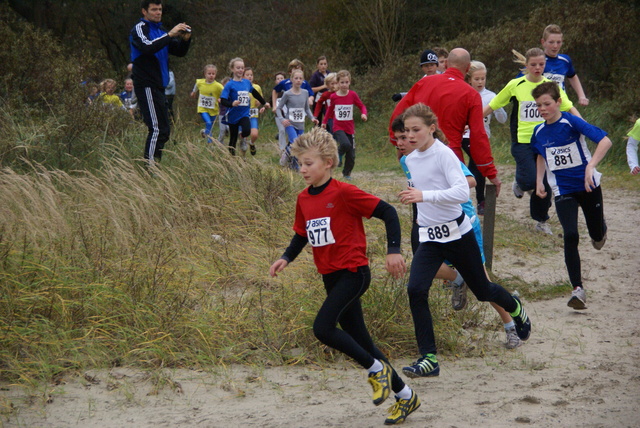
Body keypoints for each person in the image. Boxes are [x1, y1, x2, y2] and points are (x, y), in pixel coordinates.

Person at [268, 127, 421, 425]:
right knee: (362, 340)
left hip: (353, 272)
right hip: (330, 275)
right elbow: (302, 234)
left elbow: (388, 212)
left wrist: (393, 250)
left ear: (327, 162)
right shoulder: (303, 198)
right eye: (299, 163)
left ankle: (375, 370)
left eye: (308, 163)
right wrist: (286, 257)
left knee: (323, 328)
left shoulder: (344, 192)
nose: (302, 169)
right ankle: (405, 396)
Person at [397, 103, 531, 378]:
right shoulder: (409, 160)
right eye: (406, 131)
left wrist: (424, 195)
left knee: (483, 291)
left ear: (431, 128)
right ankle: (429, 358)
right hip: (430, 237)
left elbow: (461, 192)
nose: (409, 136)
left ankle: (515, 307)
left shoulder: (444, 155)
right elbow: (422, 197)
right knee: (416, 289)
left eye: (415, 130)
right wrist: (419, 215)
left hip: (458, 235)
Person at [531, 82, 611, 310]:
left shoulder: (570, 121)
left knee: (596, 235)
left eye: (547, 104)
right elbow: (540, 156)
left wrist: (591, 166)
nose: (543, 109)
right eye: (538, 106)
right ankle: (578, 289)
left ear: (558, 102)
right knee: (570, 235)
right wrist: (539, 181)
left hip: (588, 186)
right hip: (563, 190)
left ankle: (600, 230)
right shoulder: (538, 131)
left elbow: (605, 141)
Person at [484, 48, 580, 235]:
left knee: (544, 183)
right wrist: (470, 123)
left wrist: (584, 126)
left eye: (541, 64)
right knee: (529, 181)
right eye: (533, 64)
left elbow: (568, 106)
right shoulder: (516, 84)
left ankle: (541, 220)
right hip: (523, 141)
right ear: (526, 65)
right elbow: (494, 105)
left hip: (547, 141)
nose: (537, 68)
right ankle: (520, 182)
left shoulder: (551, 86)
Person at [390, 48, 502, 196]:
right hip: (451, 155)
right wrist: (490, 172)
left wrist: (398, 142)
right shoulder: (471, 94)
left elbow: (398, 114)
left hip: (422, 151)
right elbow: (478, 136)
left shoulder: (424, 82)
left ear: (447, 63)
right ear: (468, 68)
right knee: (455, 201)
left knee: (422, 197)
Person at [129, 0, 191, 167]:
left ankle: (154, 164)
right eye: (154, 9)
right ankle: (148, 169)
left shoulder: (161, 31)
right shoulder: (140, 29)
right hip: (146, 84)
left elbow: (179, 52)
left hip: (160, 86)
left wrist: (185, 40)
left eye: (160, 9)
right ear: (144, 11)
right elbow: (147, 47)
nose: (158, 12)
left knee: (164, 130)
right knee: (156, 129)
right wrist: (170, 34)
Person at [463, 61, 508, 214]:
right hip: (466, 136)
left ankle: (471, 193)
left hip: (483, 137)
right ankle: (480, 200)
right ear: (469, 79)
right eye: (477, 79)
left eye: (483, 78)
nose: (480, 82)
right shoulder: (464, 93)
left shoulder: (491, 96)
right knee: (478, 163)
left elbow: (502, 119)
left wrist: (498, 107)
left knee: (477, 166)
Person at [322, 70, 367, 179]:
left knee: (351, 155)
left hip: (349, 128)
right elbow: (329, 110)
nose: (344, 85)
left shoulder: (352, 95)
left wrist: (364, 114)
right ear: (337, 83)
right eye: (342, 82)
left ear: (349, 82)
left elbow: (361, 106)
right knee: (345, 144)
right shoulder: (334, 97)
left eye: (346, 82)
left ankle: (346, 173)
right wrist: (324, 122)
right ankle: (338, 156)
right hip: (338, 127)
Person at [219, 58, 269, 156]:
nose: (240, 70)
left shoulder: (246, 83)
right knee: (232, 140)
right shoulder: (229, 85)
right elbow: (223, 100)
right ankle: (231, 158)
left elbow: (255, 93)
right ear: (232, 69)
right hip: (233, 116)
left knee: (246, 131)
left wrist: (264, 102)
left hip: (244, 114)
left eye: (242, 68)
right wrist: (232, 103)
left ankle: (242, 137)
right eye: (238, 68)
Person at [276, 69, 318, 170]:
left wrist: (312, 118)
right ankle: (295, 166)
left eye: (300, 78)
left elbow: (307, 108)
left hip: (300, 124)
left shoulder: (305, 93)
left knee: (296, 144)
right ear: (292, 80)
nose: (298, 80)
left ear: (303, 80)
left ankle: (286, 154)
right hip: (289, 123)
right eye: (296, 78)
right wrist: (282, 119)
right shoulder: (287, 94)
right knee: (295, 142)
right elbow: (278, 108)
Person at [540, 24, 589, 106]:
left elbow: (572, 76)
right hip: (543, 106)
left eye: (558, 42)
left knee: (578, 118)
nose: (555, 46)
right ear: (543, 42)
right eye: (551, 42)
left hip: (561, 104)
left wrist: (581, 96)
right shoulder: (537, 61)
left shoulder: (565, 60)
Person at [190, 64, 223, 144]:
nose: (211, 75)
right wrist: (194, 92)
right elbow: (196, 85)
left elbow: (225, 93)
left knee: (210, 127)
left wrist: (221, 99)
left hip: (213, 109)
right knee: (208, 123)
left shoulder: (218, 86)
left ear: (215, 74)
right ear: (205, 74)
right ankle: (209, 143)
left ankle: (205, 132)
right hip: (202, 108)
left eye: (213, 74)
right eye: (209, 73)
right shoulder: (200, 82)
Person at [243, 67, 265, 155]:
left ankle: (251, 143)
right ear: (243, 76)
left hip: (253, 114)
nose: (250, 77)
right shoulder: (241, 87)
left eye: (251, 75)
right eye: (247, 75)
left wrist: (259, 102)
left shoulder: (257, 87)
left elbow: (261, 99)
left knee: (254, 135)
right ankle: (243, 156)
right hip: (243, 114)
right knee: (243, 136)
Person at [272, 71, 289, 156]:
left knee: (288, 131)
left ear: (285, 80)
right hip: (278, 115)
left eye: (281, 78)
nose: (279, 80)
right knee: (282, 130)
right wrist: (265, 106)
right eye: (278, 79)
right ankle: (282, 150)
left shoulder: (288, 90)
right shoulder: (275, 92)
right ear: (275, 81)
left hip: (288, 114)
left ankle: (290, 148)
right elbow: (269, 102)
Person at [309, 56, 330, 123]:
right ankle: (317, 132)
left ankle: (329, 132)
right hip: (318, 100)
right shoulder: (315, 76)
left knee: (329, 120)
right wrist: (323, 87)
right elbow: (311, 89)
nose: (323, 66)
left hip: (328, 100)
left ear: (327, 65)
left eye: (325, 64)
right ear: (317, 65)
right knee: (318, 121)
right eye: (321, 64)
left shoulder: (330, 74)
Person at [217, 76, 231, 146]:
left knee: (228, 128)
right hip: (222, 114)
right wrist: (219, 100)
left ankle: (227, 131)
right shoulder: (222, 92)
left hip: (230, 114)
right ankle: (219, 143)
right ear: (223, 84)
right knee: (222, 131)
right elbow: (219, 100)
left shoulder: (233, 92)